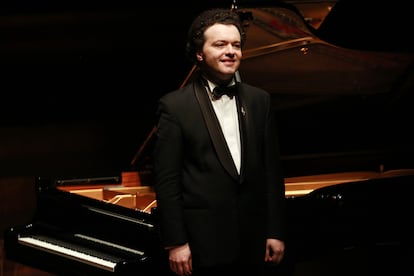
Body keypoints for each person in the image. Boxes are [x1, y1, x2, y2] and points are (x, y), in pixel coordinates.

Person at [153, 8, 286, 276]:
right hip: (203, 245)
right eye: (220, 44)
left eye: (236, 45)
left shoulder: (260, 100)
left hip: (254, 242)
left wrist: (275, 231)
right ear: (199, 53)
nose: (230, 51)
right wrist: (176, 243)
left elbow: (272, 172)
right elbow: (167, 180)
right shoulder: (174, 106)